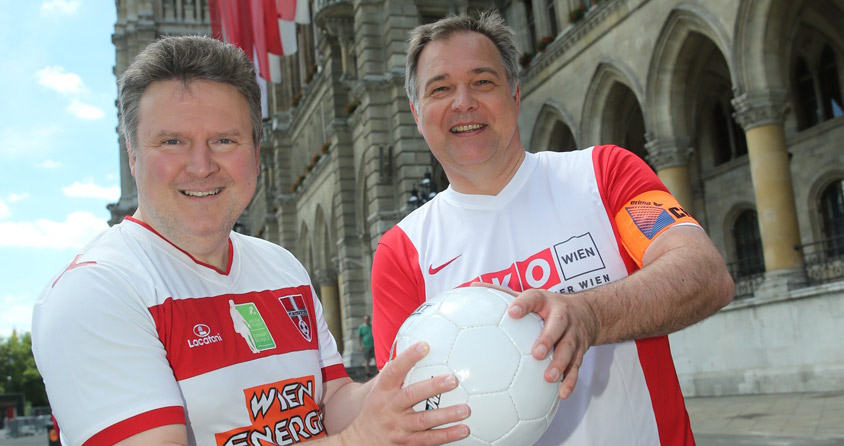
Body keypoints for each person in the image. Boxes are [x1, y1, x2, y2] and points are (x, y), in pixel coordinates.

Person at [31, 35, 470, 446]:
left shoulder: (280, 266)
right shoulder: (93, 291)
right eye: (172, 141)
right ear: (132, 156)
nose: (201, 166)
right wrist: (357, 440)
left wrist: (428, 367)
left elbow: (333, 402)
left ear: (256, 155)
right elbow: (349, 434)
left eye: (225, 140)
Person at [371, 10, 735, 445]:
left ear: (515, 94)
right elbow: (404, 413)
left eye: (483, 81)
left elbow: (704, 272)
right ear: (417, 113)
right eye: (440, 88)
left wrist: (589, 316)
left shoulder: (605, 174)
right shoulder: (401, 252)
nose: (463, 102)